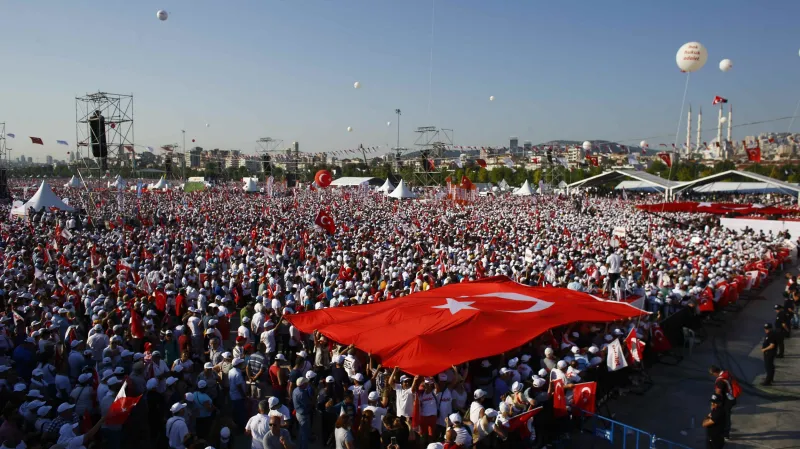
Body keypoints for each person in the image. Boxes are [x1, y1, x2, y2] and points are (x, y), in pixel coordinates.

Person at [709, 365, 739, 440]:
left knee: (725, 416)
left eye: (712, 374)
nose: (713, 376)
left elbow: (718, 392)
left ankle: (725, 434)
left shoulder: (720, 381)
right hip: (732, 398)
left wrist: (713, 402)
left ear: (715, 372)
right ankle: (725, 431)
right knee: (725, 415)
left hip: (727, 400)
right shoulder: (726, 373)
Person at [292, 377, 313, 449]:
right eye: (306, 383)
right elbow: (308, 403)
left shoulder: (295, 390)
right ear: (303, 384)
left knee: (301, 432)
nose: (307, 384)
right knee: (304, 434)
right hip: (303, 415)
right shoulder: (302, 393)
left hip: (298, 413)